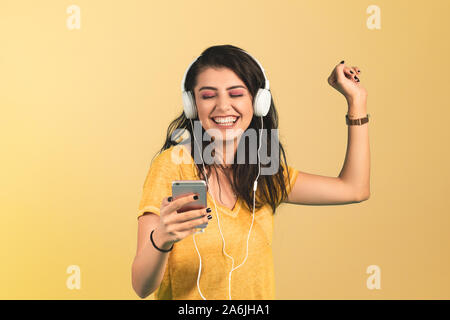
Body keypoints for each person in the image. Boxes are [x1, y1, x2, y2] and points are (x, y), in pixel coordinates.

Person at [131, 44, 370, 300]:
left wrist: (356, 101)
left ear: (258, 102)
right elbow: (141, 287)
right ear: (192, 104)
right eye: (208, 95)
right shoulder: (172, 165)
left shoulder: (262, 172)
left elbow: (354, 189)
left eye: (236, 94)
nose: (223, 106)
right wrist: (162, 238)